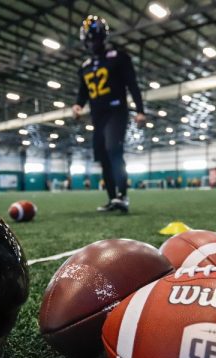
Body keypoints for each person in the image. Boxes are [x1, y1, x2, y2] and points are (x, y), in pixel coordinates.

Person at [72, 15, 145, 213]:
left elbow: (132, 85)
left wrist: (140, 110)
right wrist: (78, 105)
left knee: (114, 149)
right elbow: (83, 91)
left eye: (96, 38)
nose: (93, 43)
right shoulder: (85, 66)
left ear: (103, 37)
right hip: (98, 116)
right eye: (90, 39)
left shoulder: (119, 58)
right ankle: (113, 198)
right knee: (103, 156)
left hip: (117, 111)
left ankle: (123, 196)